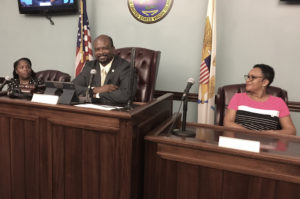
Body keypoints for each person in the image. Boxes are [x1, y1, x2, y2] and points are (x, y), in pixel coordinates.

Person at [224, 64, 296, 135]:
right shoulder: (238, 97)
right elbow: (227, 123)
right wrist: (252, 134)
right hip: (239, 142)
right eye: (248, 77)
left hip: (266, 143)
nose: (248, 80)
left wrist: (273, 133)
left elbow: (291, 131)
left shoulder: (279, 102)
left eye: (253, 77)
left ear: (265, 82)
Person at [73, 34, 136, 104]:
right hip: (91, 109)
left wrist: (97, 95)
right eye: (97, 49)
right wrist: (96, 90)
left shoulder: (124, 67)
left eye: (105, 48)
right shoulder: (90, 66)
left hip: (114, 111)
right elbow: (72, 88)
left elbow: (126, 95)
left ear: (113, 49)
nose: (101, 52)